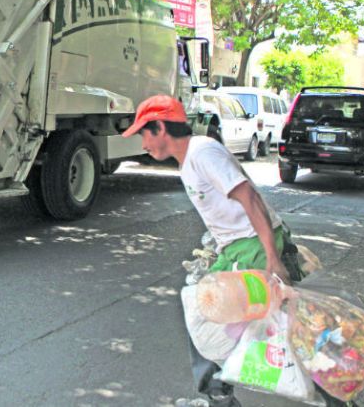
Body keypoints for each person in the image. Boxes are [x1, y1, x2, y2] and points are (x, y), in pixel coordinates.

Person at [121, 95, 293, 407]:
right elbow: (225, 208)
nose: (143, 144)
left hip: (253, 247)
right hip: (235, 248)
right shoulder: (188, 162)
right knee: (203, 313)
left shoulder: (202, 152)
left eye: (144, 134)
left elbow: (249, 198)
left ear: (160, 127)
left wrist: (272, 258)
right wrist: (216, 245)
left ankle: (330, 391)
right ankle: (218, 398)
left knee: (280, 331)